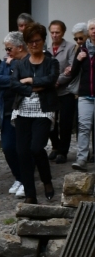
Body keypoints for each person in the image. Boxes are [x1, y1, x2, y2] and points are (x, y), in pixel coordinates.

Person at [11, 23, 59, 203]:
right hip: (22, 110)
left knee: (37, 148)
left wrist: (30, 80)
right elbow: (13, 83)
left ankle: (47, 180)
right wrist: (34, 88)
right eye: (30, 42)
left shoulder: (51, 62)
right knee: (22, 152)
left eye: (37, 41)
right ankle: (30, 194)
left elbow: (51, 79)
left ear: (43, 40)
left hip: (44, 110)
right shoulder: (20, 63)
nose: (33, 44)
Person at [0, 32, 29, 197]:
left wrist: (14, 67)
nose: (7, 52)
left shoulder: (27, 61)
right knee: (8, 148)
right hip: (6, 110)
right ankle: (19, 177)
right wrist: (15, 80)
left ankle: (25, 180)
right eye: (6, 49)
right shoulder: (4, 61)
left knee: (22, 148)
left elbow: (27, 80)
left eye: (9, 48)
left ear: (19, 47)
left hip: (23, 110)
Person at [48, 20, 78, 164]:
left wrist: (57, 81)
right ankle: (55, 146)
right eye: (52, 32)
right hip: (50, 92)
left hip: (65, 91)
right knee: (50, 121)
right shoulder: (46, 49)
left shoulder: (71, 48)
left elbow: (72, 69)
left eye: (57, 32)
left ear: (63, 33)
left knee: (65, 123)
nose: (54, 35)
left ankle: (63, 151)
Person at [69, 18, 95, 171]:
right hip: (85, 95)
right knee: (83, 127)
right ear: (88, 32)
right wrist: (78, 61)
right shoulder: (82, 49)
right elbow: (73, 73)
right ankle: (81, 159)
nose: (94, 31)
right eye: (92, 28)